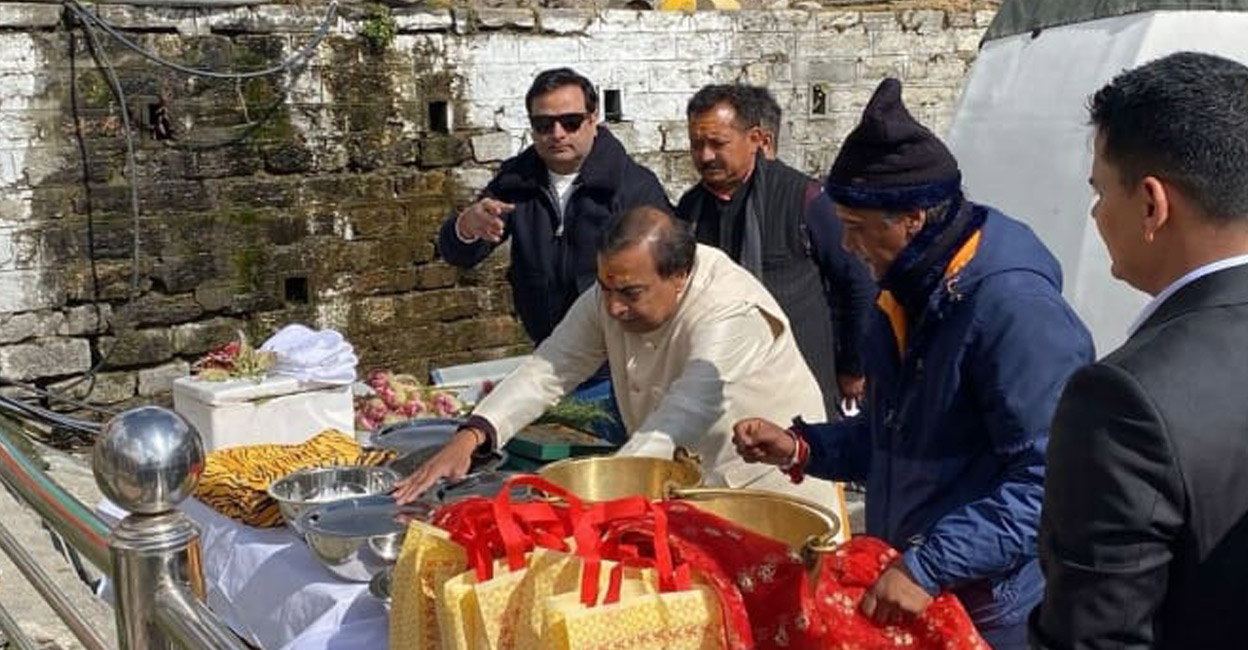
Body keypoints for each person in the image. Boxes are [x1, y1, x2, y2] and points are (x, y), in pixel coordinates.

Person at [730, 78, 1093, 648]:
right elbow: (894, 442)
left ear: (912, 219)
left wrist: (932, 565)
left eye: (855, 229)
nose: (846, 247)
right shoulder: (903, 292)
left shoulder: (1013, 310)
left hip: (992, 608)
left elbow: (1052, 482)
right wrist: (804, 448)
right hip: (915, 583)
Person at [396, 206, 849, 527]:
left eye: (630, 293)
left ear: (680, 276)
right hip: (684, 491)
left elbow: (678, 420)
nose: (612, 308)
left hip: (767, 501)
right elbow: (551, 367)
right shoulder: (611, 291)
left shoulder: (730, 311)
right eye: (605, 289)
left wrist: (584, 501)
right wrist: (474, 434)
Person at [1029, 52, 1248, 649]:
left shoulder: (1125, 398)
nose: (1097, 214)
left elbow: (1095, 636)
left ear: (1152, 204)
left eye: (1100, 191)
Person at [437, 67, 671, 442]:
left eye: (570, 121)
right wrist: (466, 226)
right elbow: (461, 254)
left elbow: (669, 276)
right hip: (551, 359)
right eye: (544, 124)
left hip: (620, 365)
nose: (557, 134)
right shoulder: (517, 181)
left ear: (593, 120)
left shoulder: (633, 187)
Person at [676, 84, 875, 415]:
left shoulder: (804, 199)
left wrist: (853, 367)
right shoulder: (691, 211)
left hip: (800, 380)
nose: (706, 156)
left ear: (755, 139)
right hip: (722, 389)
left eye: (718, 144)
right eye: (697, 145)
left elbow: (858, 284)